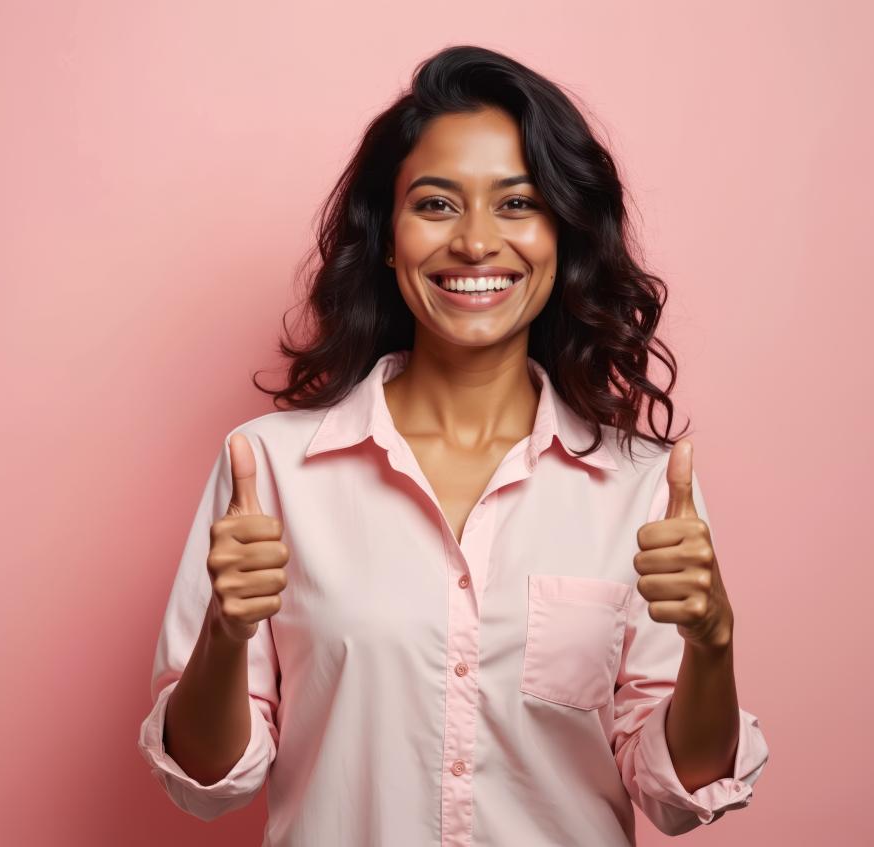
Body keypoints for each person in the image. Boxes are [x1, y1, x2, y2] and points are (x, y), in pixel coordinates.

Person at [136, 44, 769, 846]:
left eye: (517, 204)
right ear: (389, 235)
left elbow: (682, 795)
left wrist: (713, 645)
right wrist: (225, 634)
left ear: (564, 234)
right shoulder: (269, 470)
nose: (475, 242)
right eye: (436, 204)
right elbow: (206, 785)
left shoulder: (640, 486)